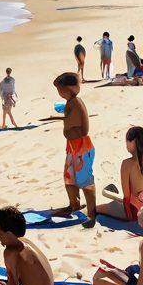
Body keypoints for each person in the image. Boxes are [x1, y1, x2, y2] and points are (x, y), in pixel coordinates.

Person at [47, 72, 96, 227]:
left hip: (81, 146)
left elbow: (80, 125)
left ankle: (92, 212)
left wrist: (64, 119)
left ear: (69, 89)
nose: (59, 93)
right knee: (69, 177)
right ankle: (73, 204)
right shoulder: (70, 102)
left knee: (85, 179)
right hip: (72, 146)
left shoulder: (76, 102)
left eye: (60, 89)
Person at [99, 127, 143, 220]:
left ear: (134, 142)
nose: (126, 143)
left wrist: (129, 216)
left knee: (98, 208)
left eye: (127, 140)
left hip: (135, 211)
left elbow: (126, 197)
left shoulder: (127, 164)